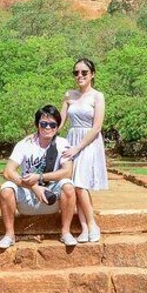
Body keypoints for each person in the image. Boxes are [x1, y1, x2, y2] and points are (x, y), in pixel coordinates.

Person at [0, 105, 77, 249]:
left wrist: (40, 177)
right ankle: (9, 235)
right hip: (27, 197)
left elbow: (67, 172)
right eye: (43, 124)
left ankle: (65, 232)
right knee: (6, 189)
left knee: (68, 185)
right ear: (37, 125)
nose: (48, 128)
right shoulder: (24, 144)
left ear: (57, 127)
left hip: (51, 198)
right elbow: (8, 172)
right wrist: (34, 187)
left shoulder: (62, 144)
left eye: (53, 124)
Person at [61, 58, 108, 243]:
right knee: (74, 184)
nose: (79, 76)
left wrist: (77, 148)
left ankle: (92, 224)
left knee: (80, 184)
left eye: (84, 72)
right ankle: (85, 228)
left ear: (92, 74)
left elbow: (97, 127)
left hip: (88, 142)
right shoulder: (69, 95)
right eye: (76, 73)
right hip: (71, 139)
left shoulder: (97, 96)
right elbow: (60, 122)